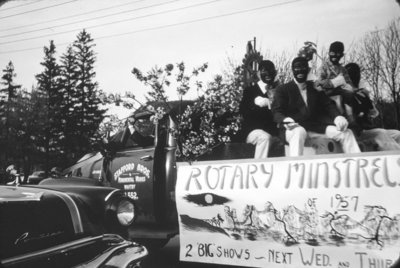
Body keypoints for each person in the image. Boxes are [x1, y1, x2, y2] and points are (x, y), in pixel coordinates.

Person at [272, 56, 361, 156]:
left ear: (308, 69)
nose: (300, 70)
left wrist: (337, 117)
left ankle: (357, 166)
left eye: (303, 67)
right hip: (292, 129)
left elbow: (328, 104)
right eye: (297, 68)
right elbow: (277, 111)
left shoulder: (314, 87)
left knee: (346, 132)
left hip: (314, 127)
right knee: (299, 132)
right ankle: (296, 169)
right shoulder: (283, 89)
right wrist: (285, 120)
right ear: (292, 70)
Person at [345, 62, 400, 151]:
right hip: (355, 133)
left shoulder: (362, 94)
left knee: (397, 134)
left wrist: (366, 100)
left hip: (366, 129)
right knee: (380, 134)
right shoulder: (344, 94)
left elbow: (374, 113)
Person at [239, 60, 280, 158]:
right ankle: (258, 170)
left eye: (271, 70)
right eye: (264, 71)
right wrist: (264, 106)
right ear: (258, 73)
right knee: (264, 138)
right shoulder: (250, 91)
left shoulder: (279, 91)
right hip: (254, 131)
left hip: (274, 132)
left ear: (275, 72)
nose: (268, 74)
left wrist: (270, 103)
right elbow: (245, 112)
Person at [316, 41, 355, 117]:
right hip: (327, 92)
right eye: (332, 53)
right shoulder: (324, 67)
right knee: (338, 98)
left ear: (341, 55)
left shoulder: (342, 69)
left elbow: (349, 82)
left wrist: (348, 85)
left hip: (341, 91)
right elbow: (319, 82)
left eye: (338, 54)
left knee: (352, 94)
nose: (334, 56)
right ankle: (342, 115)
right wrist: (334, 82)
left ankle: (351, 115)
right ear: (329, 53)